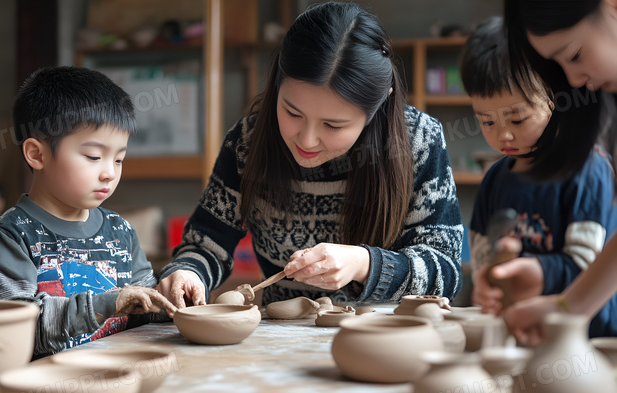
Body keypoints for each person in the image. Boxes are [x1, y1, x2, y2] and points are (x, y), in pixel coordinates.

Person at [157, 2, 464, 308]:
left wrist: (363, 264)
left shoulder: (417, 141)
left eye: (333, 125)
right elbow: (207, 243)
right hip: (283, 335)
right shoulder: (248, 143)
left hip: (385, 336)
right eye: (292, 112)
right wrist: (188, 271)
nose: (306, 139)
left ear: (379, 104)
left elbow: (446, 272)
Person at [0, 66, 176, 359]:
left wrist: (174, 302)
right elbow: (15, 330)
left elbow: (146, 311)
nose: (109, 173)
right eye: (94, 156)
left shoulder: (120, 232)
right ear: (37, 154)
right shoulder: (10, 238)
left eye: (119, 159)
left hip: (117, 380)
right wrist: (107, 303)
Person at [460, 17, 617, 338]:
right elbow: (480, 253)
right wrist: (485, 283)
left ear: (554, 99)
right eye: (487, 122)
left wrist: (542, 273)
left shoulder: (589, 170)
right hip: (520, 329)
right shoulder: (496, 177)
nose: (503, 134)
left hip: (587, 333)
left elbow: (587, 262)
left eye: (518, 118)